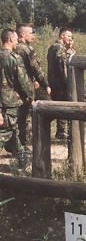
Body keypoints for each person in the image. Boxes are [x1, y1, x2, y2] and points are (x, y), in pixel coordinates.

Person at [0, 28, 34, 168]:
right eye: (14, 39)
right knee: (5, 132)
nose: (16, 42)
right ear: (10, 39)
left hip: (5, 102)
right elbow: (23, 82)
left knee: (13, 131)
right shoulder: (14, 59)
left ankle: (22, 158)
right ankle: (22, 157)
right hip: (9, 102)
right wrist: (31, 97)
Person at [15, 23, 51, 147]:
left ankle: (19, 145)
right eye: (31, 33)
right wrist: (45, 84)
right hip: (24, 89)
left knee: (19, 118)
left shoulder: (15, 48)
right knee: (25, 118)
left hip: (16, 88)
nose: (33, 36)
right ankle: (23, 146)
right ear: (22, 34)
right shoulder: (25, 49)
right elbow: (35, 68)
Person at [47, 27, 74, 139]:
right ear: (62, 36)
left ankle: (60, 130)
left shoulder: (52, 47)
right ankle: (61, 131)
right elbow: (63, 66)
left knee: (58, 104)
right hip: (61, 83)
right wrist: (68, 82)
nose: (70, 39)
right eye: (68, 36)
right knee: (63, 105)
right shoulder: (60, 48)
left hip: (53, 81)